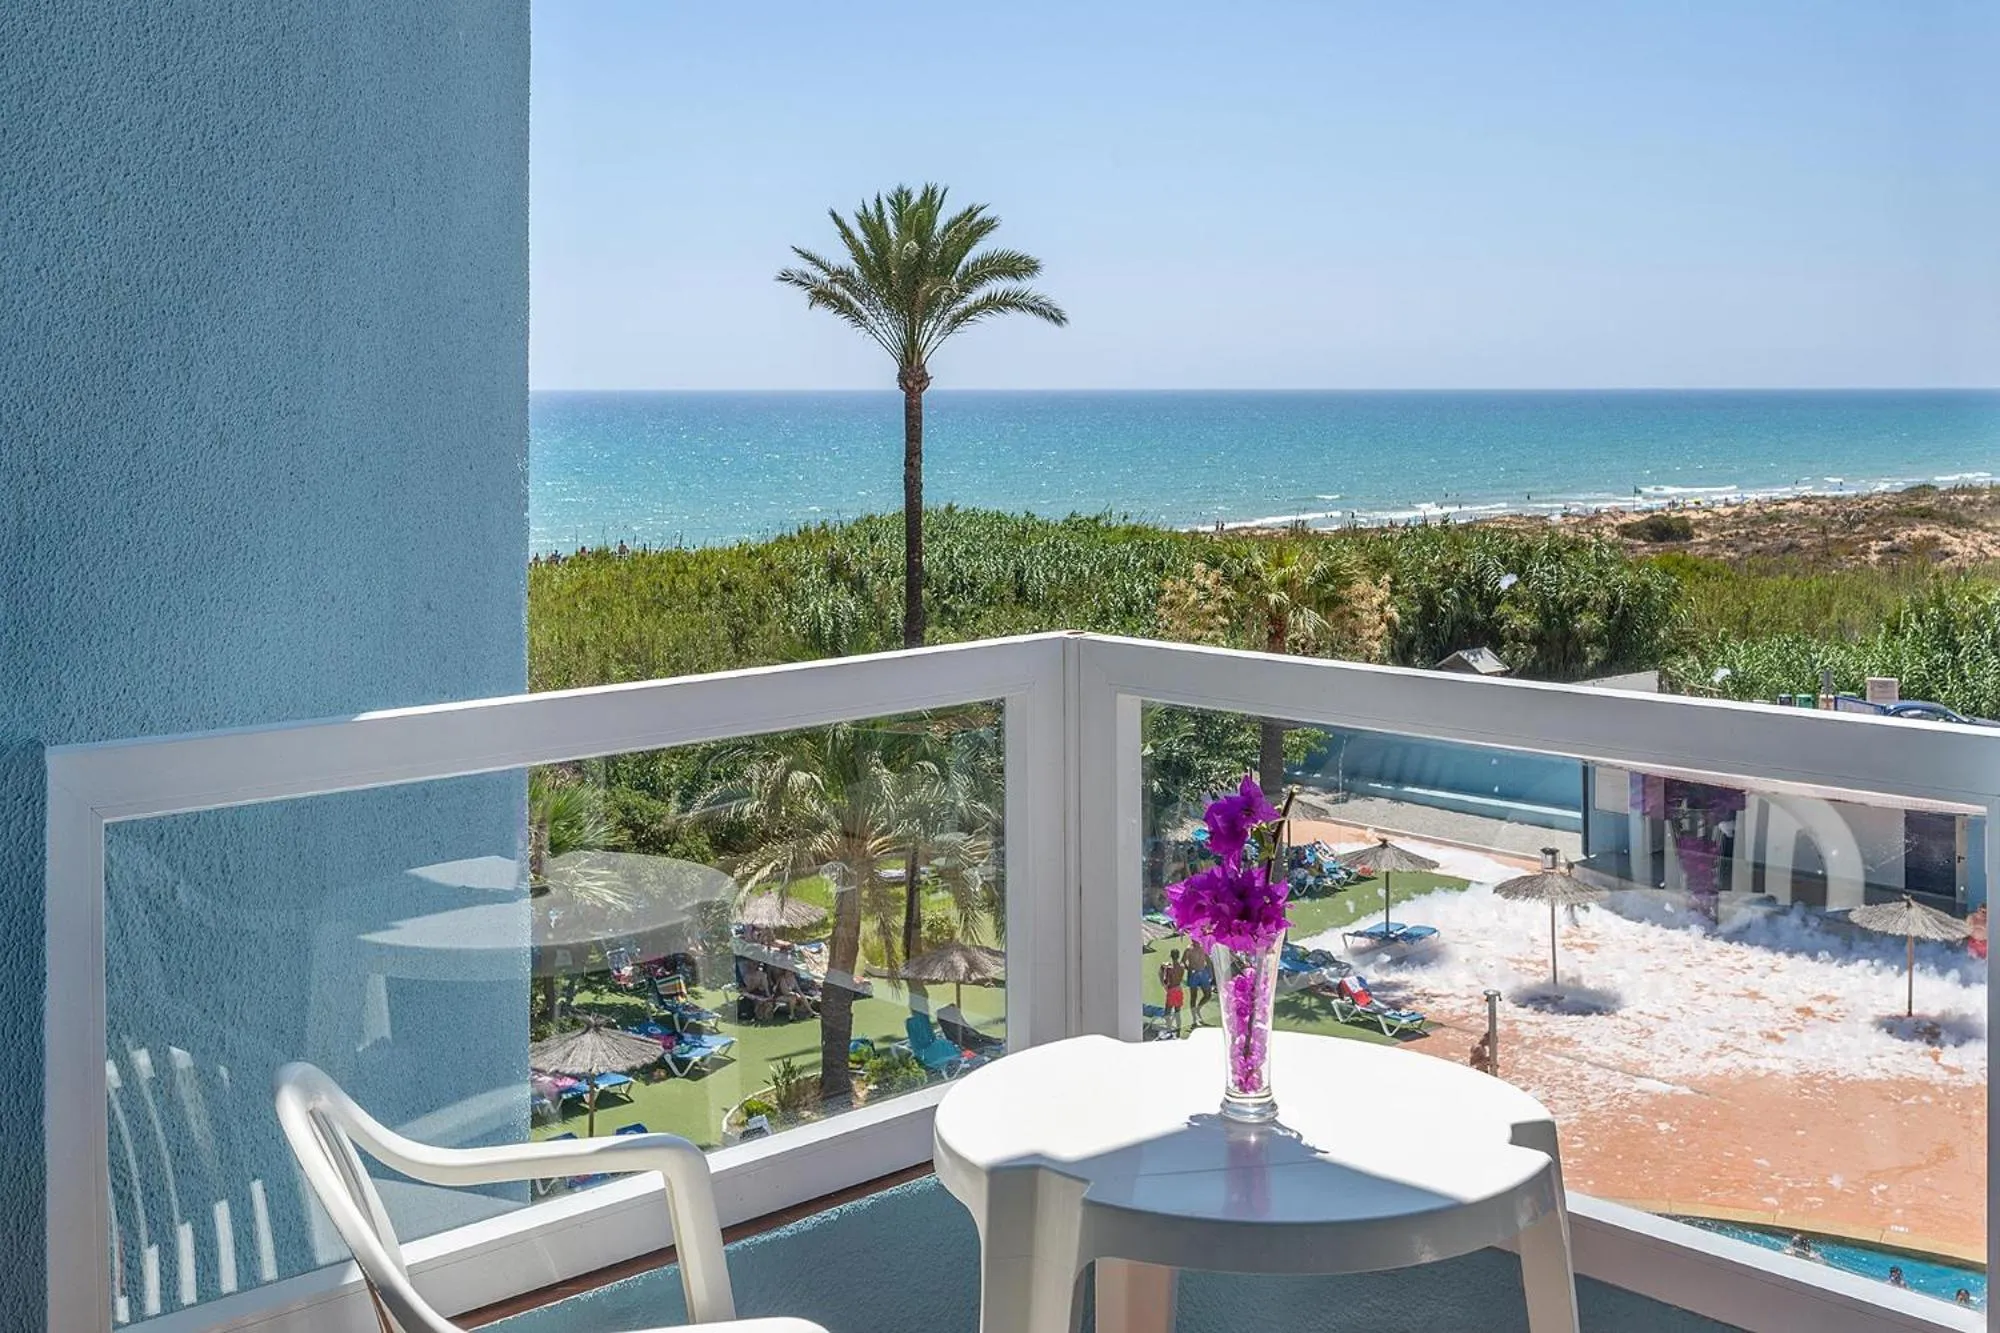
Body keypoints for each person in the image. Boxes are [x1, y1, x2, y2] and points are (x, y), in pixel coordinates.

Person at [1183, 941, 1214, 1027]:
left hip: (1203, 972)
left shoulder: (1204, 948)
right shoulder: (1188, 949)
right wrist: (1188, 969)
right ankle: (1194, 1020)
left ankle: (1197, 1009)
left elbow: (1208, 961)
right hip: (1193, 974)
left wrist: (1210, 974)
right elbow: (1183, 962)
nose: (1195, 941)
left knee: (1208, 995)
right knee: (1193, 996)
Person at [1159, 949, 1187, 1036]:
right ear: (1178, 956)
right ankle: (1178, 1031)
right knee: (1177, 1012)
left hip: (1171, 992)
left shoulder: (1169, 969)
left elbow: (1166, 980)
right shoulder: (1182, 967)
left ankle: (1169, 1029)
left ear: (1171, 956)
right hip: (1179, 990)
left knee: (1167, 1012)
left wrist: (1163, 969)